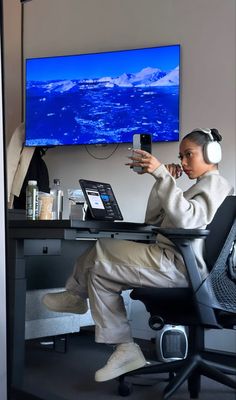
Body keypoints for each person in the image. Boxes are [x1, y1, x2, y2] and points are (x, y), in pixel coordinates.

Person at [42, 128, 233, 383]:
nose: (184, 162)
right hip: (170, 260)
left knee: (102, 251)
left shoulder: (216, 184)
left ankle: (75, 296)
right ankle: (125, 348)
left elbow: (188, 221)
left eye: (189, 155)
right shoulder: (198, 188)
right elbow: (153, 220)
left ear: (212, 153)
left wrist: (162, 175)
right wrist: (162, 182)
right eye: (181, 156)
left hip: (178, 265)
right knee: (101, 275)